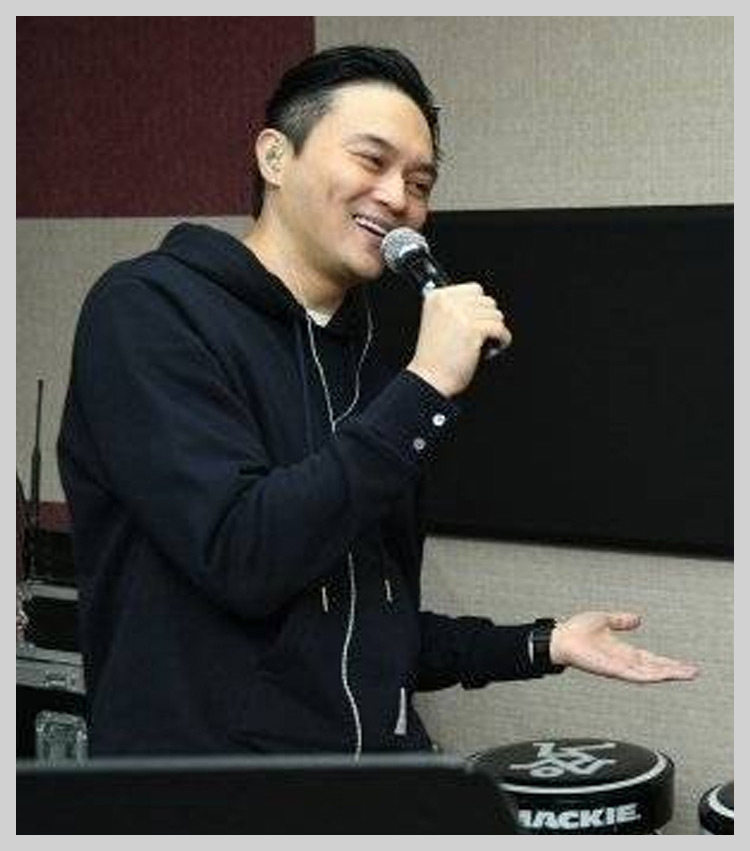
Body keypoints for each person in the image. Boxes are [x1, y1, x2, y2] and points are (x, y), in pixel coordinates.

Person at [57, 45, 697, 758]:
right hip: (209, 792)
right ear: (275, 156)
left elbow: (363, 623)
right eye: (371, 160)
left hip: (365, 784)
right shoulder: (150, 311)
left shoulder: (371, 360)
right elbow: (245, 556)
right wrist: (424, 388)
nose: (398, 199)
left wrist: (542, 643)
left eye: (420, 182)